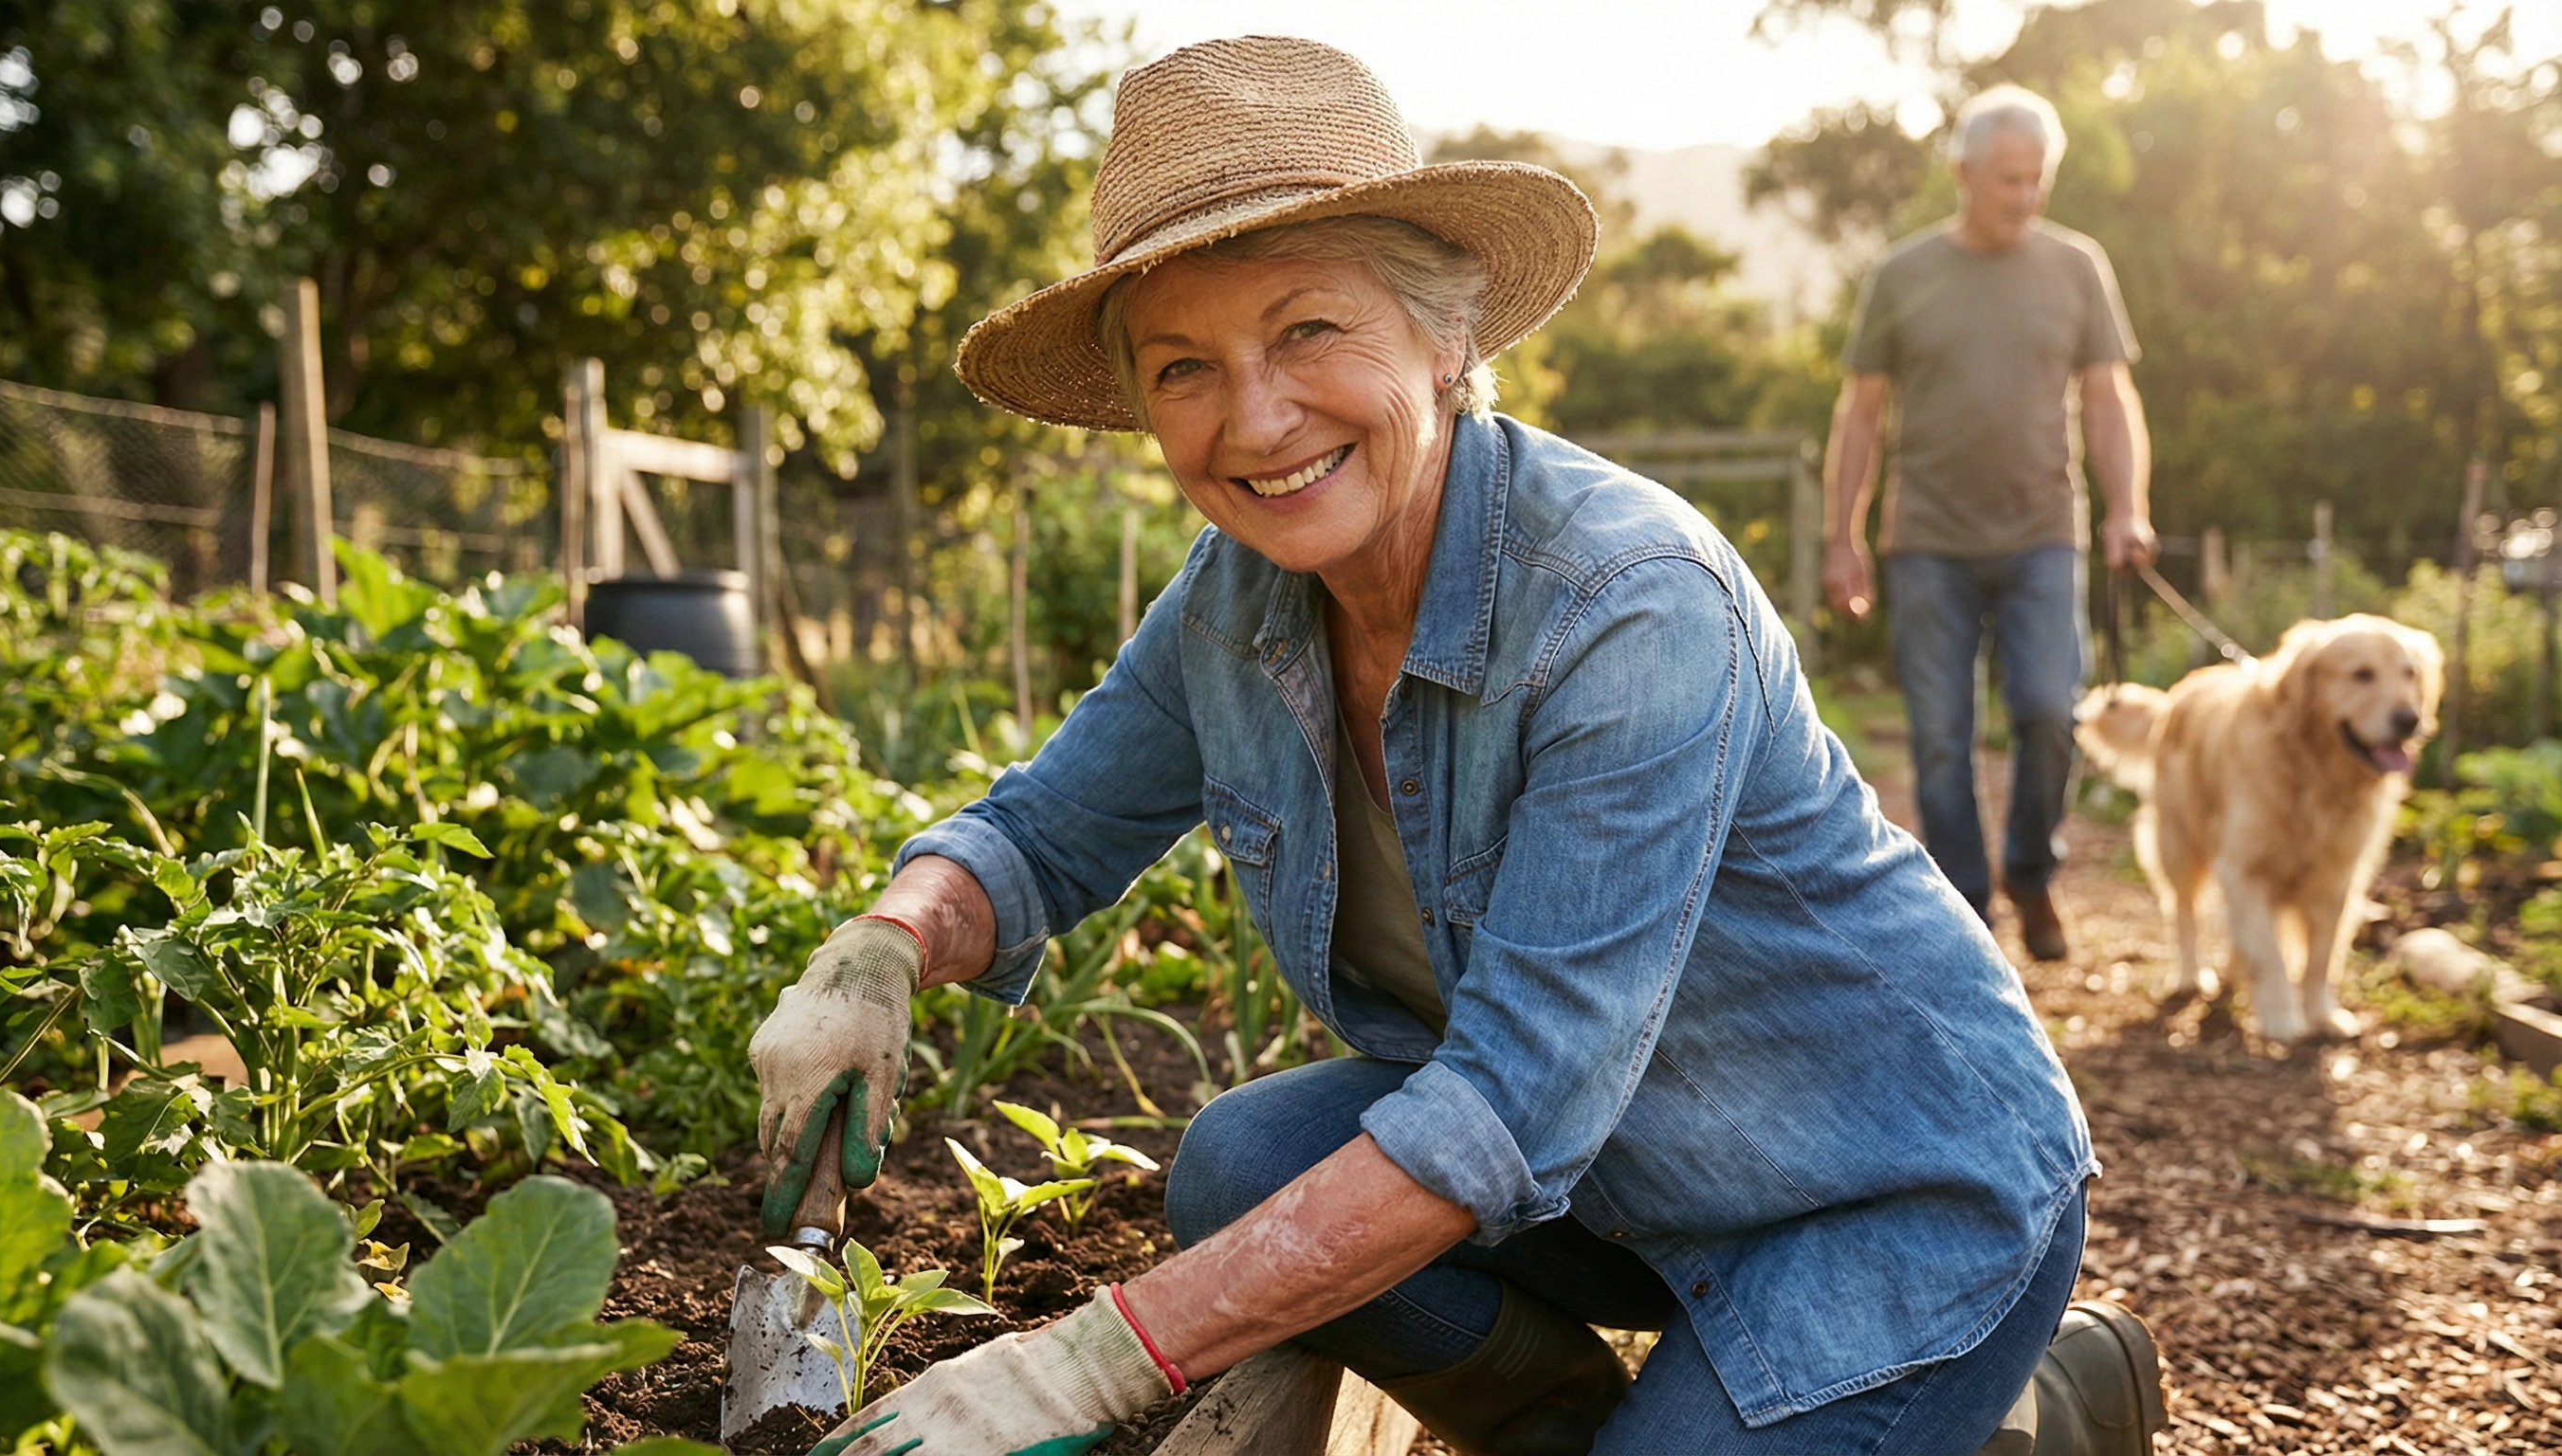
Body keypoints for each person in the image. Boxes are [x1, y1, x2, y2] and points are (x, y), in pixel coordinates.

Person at [755, 37, 2163, 1456]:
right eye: (1186, 367)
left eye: (1310, 331)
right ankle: (1568, 1429)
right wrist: (883, 944)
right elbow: (1043, 835)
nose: (1256, 419)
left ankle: (2042, 1399)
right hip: (1621, 1179)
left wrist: (1085, 1366)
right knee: (1244, 1164)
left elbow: (1506, 1105)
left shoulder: (1628, 604)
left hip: (1878, 1196)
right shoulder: (1236, 602)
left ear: (1448, 338)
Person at [1820, 84, 2158, 964]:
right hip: (1927, 538)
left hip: (2045, 530)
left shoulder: (2077, 266)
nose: (2025, 197)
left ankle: (2032, 871)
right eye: (2008, 180)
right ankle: (1967, 906)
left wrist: (2128, 509)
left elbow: (2109, 397)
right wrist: (1842, 537)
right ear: (1963, 174)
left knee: (2051, 710)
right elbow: (1859, 414)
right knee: (1940, 739)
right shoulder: (1903, 274)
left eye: (2037, 179)